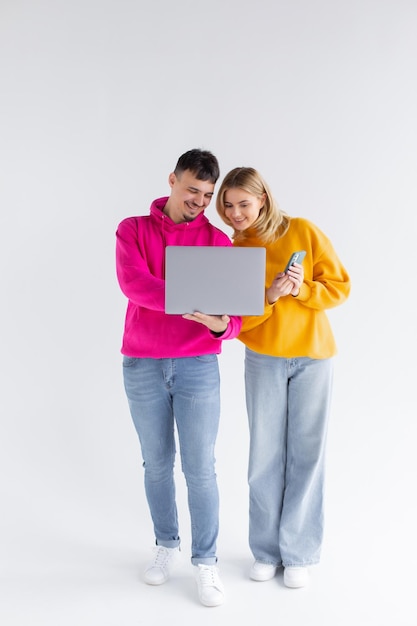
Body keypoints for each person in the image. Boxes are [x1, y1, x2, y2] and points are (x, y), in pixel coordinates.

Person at [115, 149, 242, 607]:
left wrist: (218, 325)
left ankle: (205, 563)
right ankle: (166, 545)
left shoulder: (219, 243)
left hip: (197, 365)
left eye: (208, 195)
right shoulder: (132, 229)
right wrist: (193, 297)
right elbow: (134, 284)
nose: (200, 202)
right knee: (155, 464)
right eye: (193, 190)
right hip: (143, 362)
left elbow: (234, 319)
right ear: (172, 180)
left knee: (201, 469)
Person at [216, 167, 351, 589]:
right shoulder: (236, 248)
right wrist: (271, 296)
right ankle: (266, 550)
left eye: (243, 203)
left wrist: (301, 290)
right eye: (228, 205)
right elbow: (242, 321)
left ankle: (299, 554)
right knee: (264, 458)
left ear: (263, 199)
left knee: (307, 455)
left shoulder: (303, 231)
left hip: (313, 357)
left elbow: (340, 287)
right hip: (263, 359)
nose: (235, 213)